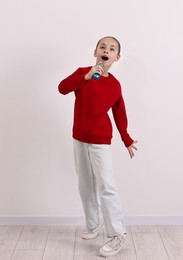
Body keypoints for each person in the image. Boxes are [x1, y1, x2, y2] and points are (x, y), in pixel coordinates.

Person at [58, 36, 138, 257]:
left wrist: (127, 139)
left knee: (106, 186)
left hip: (100, 141)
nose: (106, 50)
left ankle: (118, 234)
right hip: (79, 138)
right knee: (85, 184)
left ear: (117, 57)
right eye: (102, 47)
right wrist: (84, 77)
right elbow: (62, 88)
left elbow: (120, 114)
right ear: (95, 52)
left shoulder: (114, 85)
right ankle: (94, 224)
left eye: (112, 49)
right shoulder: (83, 73)